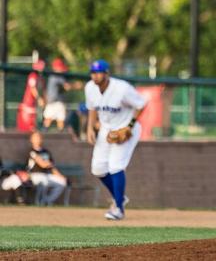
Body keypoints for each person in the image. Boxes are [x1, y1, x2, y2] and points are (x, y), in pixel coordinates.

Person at [85, 59, 146, 220]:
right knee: (98, 168)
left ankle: (118, 209)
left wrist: (129, 126)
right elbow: (92, 108)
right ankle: (120, 197)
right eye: (93, 72)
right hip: (106, 129)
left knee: (116, 166)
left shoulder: (122, 88)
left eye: (99, 72)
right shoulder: (90, 88)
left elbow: (141, 104)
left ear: (107, 73)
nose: (95, 76)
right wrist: (89, 128)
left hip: (126, 128)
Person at [26, 131, 67, 206]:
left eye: (39, 137)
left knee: (62, 182)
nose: (37, 139)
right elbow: (42, 164)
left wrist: (60, 176)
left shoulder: (46, 152)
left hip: (46, 174)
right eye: (35, 137)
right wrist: (47, 163)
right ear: (31, 139)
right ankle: (39, 201)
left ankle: (47, 201)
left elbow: (52, 167)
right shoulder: (31, 151)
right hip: (34, 175)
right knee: (44, 181)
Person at [42, 58, 72, 132]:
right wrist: (76, 86)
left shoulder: (51, 76)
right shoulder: (57, 76)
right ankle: (46, 135)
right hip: (55, 102)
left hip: (54, 102)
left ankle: (49, 135)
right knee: (51, 120)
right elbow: (67, 87)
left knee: (55, 121)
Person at [16, 60, 46, 132]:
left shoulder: (41, 78)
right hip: (29, 102)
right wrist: (39, 99)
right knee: (29, 124)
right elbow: (32, 88)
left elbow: (44, 89)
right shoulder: (33, 75)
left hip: (35, 104)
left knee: (34, 122)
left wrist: (44, 99)